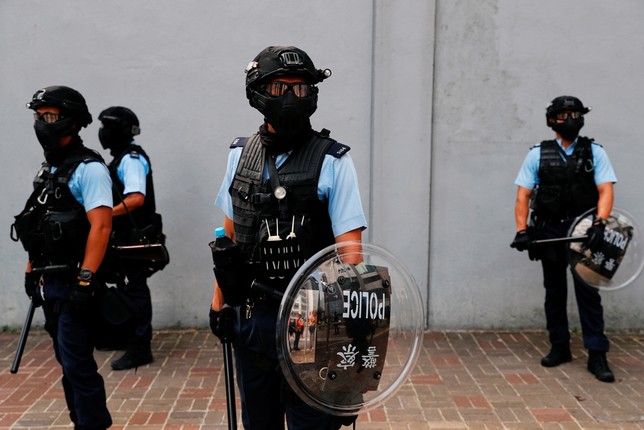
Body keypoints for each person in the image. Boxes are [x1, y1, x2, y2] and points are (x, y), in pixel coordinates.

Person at [208, 46, 367, 429]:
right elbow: (229, 237)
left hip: (312, 316)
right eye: (281, 87)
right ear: (259, 93)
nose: (293, 97)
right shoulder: (239, 155)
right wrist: (219, 307)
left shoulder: (334, 161)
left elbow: (352, 253)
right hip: (251, 314)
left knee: (312, 423)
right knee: (258, 421)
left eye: (302, 87)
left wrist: (351, 335)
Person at [15, 85, 113, 428]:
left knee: (77, 365)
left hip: (74, 283)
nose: (43, 123)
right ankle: (81, 422)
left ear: (71, 121)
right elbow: (36, 229)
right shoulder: (47, 172)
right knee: (67, 364)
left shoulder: (90, 169)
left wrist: (85, 280)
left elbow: (100, 228)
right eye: (39, 117)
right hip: (50, 283)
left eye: (51, 116)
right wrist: (31, 271)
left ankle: (93, 424)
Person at [511, 95, 617, 383]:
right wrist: (522, 230)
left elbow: (605, 190)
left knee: (588, 291)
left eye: (574, 114)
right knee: (554, 290)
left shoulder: (595, 152)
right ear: (551, 120)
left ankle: (597, 353)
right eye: (563, 115)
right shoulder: (536, 154)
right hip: (551, 230)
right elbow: (523, 195)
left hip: (584, 229)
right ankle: (560, 347)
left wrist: (600, 223)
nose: (569, 119)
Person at [98, 106, 159, 370]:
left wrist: (103, 215)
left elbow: (136, 198)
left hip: (134, 238)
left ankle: (140, 347)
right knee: (125, 289)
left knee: (135, 291)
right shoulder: (120, 158)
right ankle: (126, 337)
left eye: (108, 127)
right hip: (122, 237)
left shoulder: (131, 159)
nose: (102, 133)